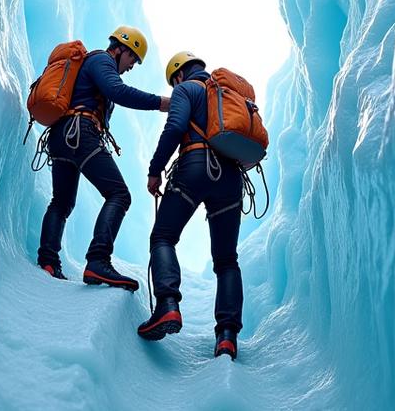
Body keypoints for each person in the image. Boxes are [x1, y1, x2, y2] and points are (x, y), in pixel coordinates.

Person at [37, 26, 170, 291]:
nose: (132, 65)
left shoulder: (94, 63)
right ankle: (98, 260)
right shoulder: (101, 60)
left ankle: (48, 262)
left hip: (62, 136)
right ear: (121, 48)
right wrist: (160, 103)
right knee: (119, 195)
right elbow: (116, 91)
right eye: (133, 58)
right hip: (80, 133)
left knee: (61, 202)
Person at [137, 52, 244, 360]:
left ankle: (168, 306)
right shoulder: (226, 94)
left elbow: (174, 128)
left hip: (196, 166)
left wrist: (155, 169)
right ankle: (227, 337)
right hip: (231, 179)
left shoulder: (187, 89)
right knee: (227, 261)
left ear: (179, 75)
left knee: (163, 237)